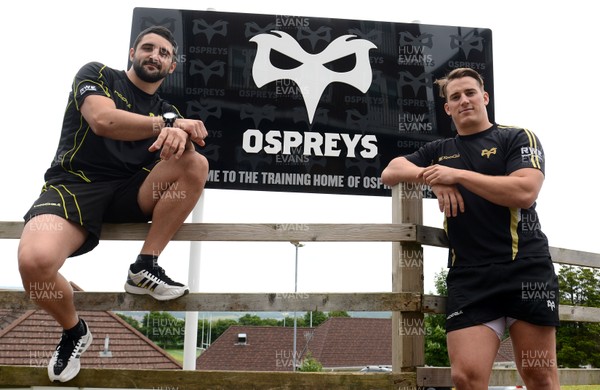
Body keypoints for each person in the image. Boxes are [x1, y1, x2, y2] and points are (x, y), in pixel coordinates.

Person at [17, 26, 209, 383]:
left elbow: (180, 157)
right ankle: (75, 330)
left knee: (195, 162)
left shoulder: (169, 110)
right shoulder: (97, 74)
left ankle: (145, 265)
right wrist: (170, 124)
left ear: (171, 67)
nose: (155, 55)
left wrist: (181, 134)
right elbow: (103, 121)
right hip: (74, 186)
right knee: (34, 262)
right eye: (148, 48)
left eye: (164, 53)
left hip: (130, 192)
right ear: (132, 52)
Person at [381, 68, 559, 389]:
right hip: (470, 276)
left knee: (539, 376)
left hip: (526, 271)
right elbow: (391, 170)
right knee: (466, 378)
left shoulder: (516, 137)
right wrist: (431, 176)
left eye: (470, 93)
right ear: (448, 108)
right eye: (455, 97)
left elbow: (524, 191)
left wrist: (457, 177)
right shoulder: (439, 151)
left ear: (484, 97)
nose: (464, 100)